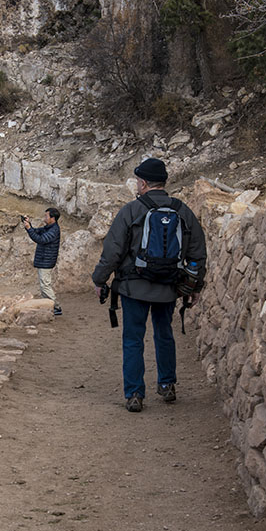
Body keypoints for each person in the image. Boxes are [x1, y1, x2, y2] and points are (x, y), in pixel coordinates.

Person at [91, 158, 206, 411]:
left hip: (134, 288)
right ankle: (167, 385)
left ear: (142, 183)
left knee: (133, 339)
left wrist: (100, 279)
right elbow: (197, 253)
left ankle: (134, 394)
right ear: (163, 183)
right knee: (164, 334)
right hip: (168, 288)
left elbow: (112, 252)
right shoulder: (182, 211)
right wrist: (195, 287)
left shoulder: (131, 211)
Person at [23, 207, 62, 316]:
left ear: (52, 218)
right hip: (45, 260)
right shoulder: (49, 228)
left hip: (46, 260)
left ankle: (56, 306)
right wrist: (29, 226)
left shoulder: (53, 230)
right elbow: (36, 231)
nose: (44, 218)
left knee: (45, 285)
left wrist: (29, 229)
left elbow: (40, 239)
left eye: (46, 216)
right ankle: (48, 306)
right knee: (44, 285)